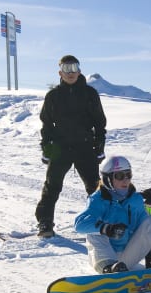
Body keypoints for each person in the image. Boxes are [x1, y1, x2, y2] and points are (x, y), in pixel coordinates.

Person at [74, 155, 151, 273]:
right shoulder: (97, 200)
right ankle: (109, 270)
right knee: (94, 234)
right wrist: (105, 228)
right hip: (104, 258)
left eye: (128, 175)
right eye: (120, 176)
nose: (126, 180)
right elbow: (80, 224)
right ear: (107, 179)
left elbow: (146, 226)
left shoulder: (135, 199)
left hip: (126, 258)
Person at [35, 55, 107, 238]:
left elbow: (99, 123)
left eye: (74, 68)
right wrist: (48, 150)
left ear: (79, 70)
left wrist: (99, 148)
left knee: (95, 188)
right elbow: (47, 125)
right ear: (60, 72)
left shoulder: (90, 94)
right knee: (52, 186)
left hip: (85, 147)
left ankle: (102, 220)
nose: (71, 73)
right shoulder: (53, 96)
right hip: (61, 148)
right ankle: (45, 223)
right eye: (66, 69)